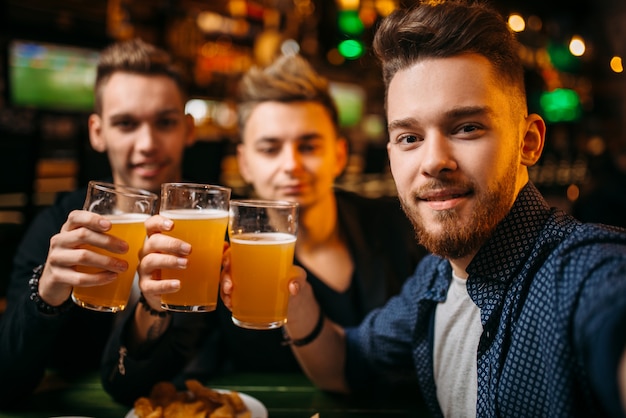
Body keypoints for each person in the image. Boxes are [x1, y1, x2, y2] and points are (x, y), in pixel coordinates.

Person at [221, 1, 626, 417]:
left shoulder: (580, 273)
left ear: (528, 142)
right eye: (410, 137)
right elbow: (347, 363)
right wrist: (295, 297)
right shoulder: (433, 280)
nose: (433, 160)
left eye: (467, 127)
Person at [100, 53, 427, 405]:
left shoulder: (402, 225)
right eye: (270, 148)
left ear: (339, 154)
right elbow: (127, 387)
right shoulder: (215, 246)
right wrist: (152, 306)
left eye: (309, 146)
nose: (291, 165)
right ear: (245, 164)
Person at [0, 38, 196, 408]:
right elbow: (6, 383)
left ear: (188, 129)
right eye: (125, 123)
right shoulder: (60, 226)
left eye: (165, 122)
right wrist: (46, 295)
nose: (147, 143)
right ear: (97, 132)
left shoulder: (211, 233)